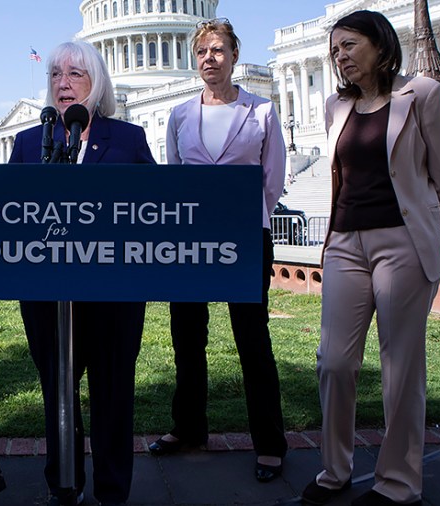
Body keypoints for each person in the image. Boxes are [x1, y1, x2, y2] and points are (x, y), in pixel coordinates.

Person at [300, 10, 440, 506]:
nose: (341, 56)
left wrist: (419, 226)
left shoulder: (423, 96)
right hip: (345, 242)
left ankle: (398, 483)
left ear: (379, 44)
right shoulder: (334, 107)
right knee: (335, 362)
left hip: (402, 243)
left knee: (400, 367)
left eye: (349, 45)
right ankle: (335, 470)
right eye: (335, 50)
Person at [8, 41, 156, 506]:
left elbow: (155, 210)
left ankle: (112, 492)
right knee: (58, 392)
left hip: (113, 295)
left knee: (113, 395)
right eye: (55, 74)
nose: (63, 83)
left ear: (96, 83)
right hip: (47, 295)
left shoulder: (128, 139)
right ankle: (64, 485)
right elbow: (9, 213)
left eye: (75, 73)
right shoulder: (31, 142)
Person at [149, 17, 288, 484]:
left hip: (246, 237)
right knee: (187, 339)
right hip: (190, 241)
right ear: (196, 59)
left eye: (219, 50)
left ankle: (269, 443)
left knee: (253, 341)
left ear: (233, 55)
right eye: (203, 51)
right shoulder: (180, 115)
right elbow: (176, 174)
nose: (211, 58)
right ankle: (189, 428)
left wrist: (242, 222)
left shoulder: (262, 112)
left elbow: (272, 181)